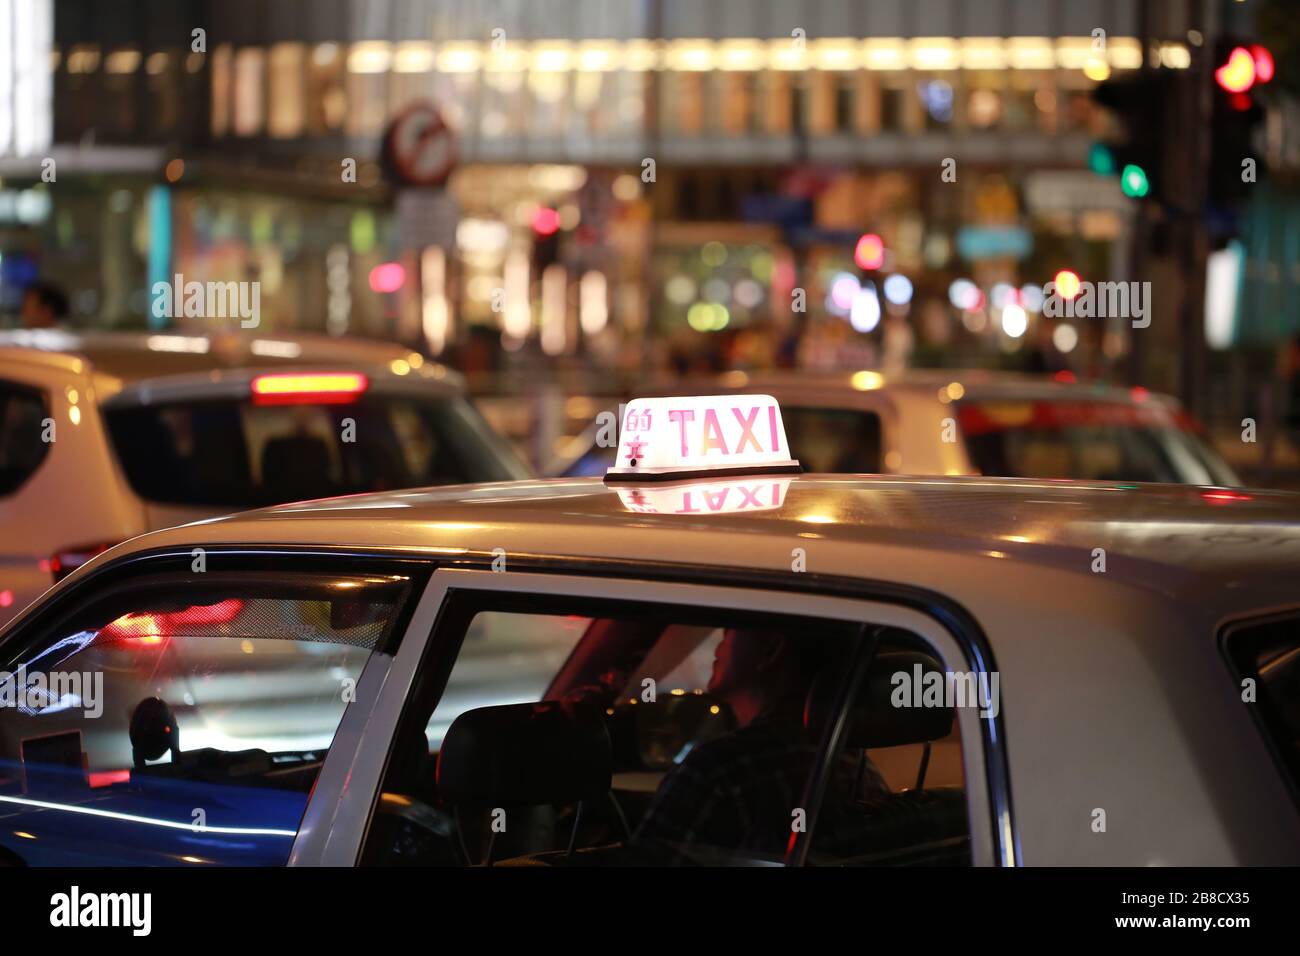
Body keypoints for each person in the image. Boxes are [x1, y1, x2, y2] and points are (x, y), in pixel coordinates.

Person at [634, 627, 887, 864]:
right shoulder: (858, 769)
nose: (722, 634)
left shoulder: (718, 772)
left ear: (771, 649)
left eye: (733, 627)